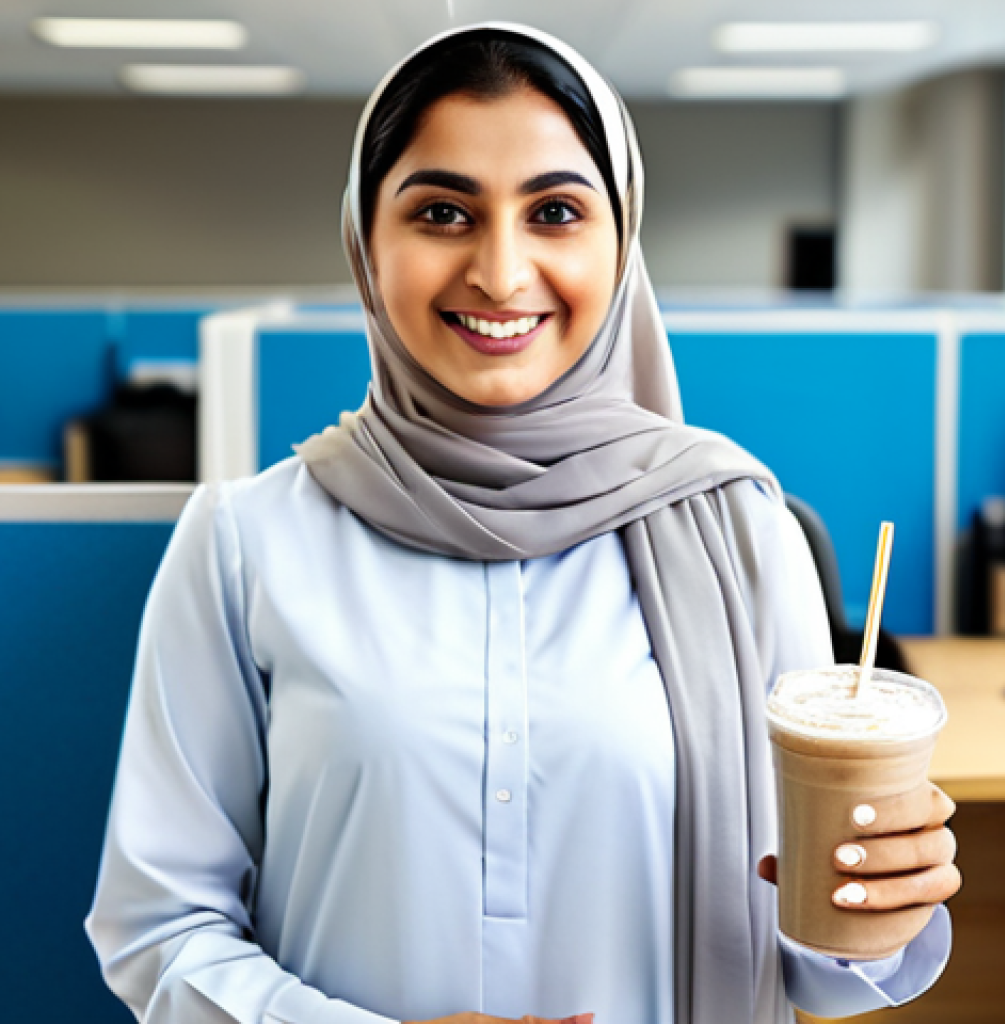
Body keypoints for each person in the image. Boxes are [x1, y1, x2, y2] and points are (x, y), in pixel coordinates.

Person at [86, 23, 960, 1024]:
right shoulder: (246, 541)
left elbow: (804, 961)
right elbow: (158, 929)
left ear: (621, 241)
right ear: (365, 240)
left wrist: (878, 899)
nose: (500, 273)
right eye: (443, 212)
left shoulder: (736, 524)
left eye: (553, 211)